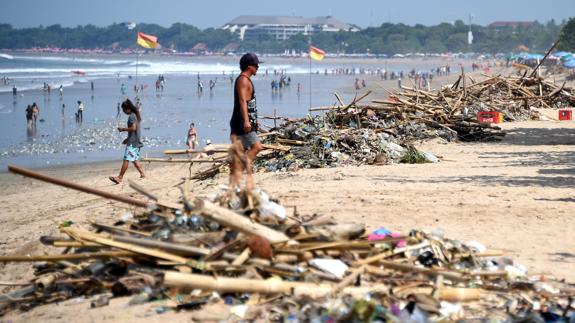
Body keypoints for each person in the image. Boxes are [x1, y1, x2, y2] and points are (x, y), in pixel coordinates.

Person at [229, 53, 263, 187]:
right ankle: (239, 173)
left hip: (244, 121)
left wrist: (253, 120)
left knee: (241, 151)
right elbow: (242, 101)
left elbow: (249, 103)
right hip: (241, 122)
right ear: (250, 66)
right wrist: (246, 121)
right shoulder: (243, 80)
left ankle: (238, 177)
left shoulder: (246, 79)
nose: (258, 67)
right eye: (256, 65)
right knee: (256, 147)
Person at [109, 99, 145, 184]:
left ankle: (120, 177)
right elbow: (134, 131)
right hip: (135, 141)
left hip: (133, 143)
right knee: (134, 159)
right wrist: (127, 139)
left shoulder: (132, 116)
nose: (124, 112)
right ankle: (142, 174)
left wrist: (123, 129)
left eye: (124, 110)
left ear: (128, 108)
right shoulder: (136, 115)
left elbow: (133, 128)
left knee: (126, 159)